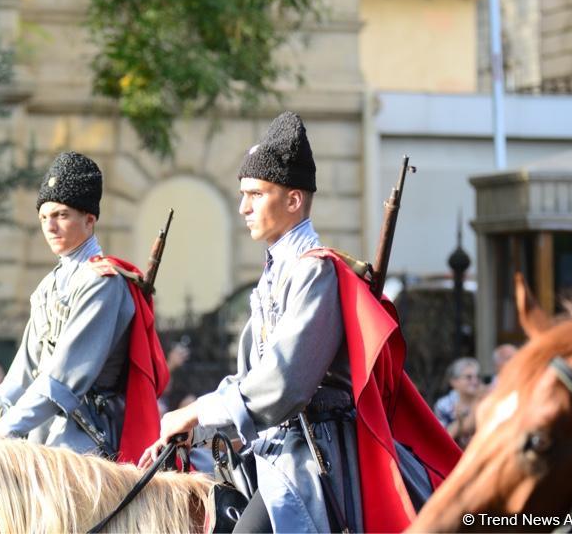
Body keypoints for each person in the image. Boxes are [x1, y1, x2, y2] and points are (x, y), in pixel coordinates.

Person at [139, 112, 461, 533]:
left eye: (255, 194)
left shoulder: (314, 271)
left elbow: (283, 386)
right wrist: (195, 429)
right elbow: (247, 380)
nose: (243, 207)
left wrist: (196, 412)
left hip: (315, 458)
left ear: (293, 201)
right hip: (274, 449)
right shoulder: (276, 273)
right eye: (243, 194)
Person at [0, 152, 168, 463]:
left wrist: (2, 432)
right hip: (41, 437)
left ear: (89, 220)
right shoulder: (47, 286)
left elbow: (64, 380)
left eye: (61, 215)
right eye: (43, 217)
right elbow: (21, 376)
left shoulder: (103, 282)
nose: (50, 227)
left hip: (90, 444)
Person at [434, 356, 483, 448]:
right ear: (454, 382)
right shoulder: (444, 405)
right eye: (468, 377)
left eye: (477, 377)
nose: (475, 381)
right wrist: (461, 422)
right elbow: (442, 438)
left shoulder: (485, 400)